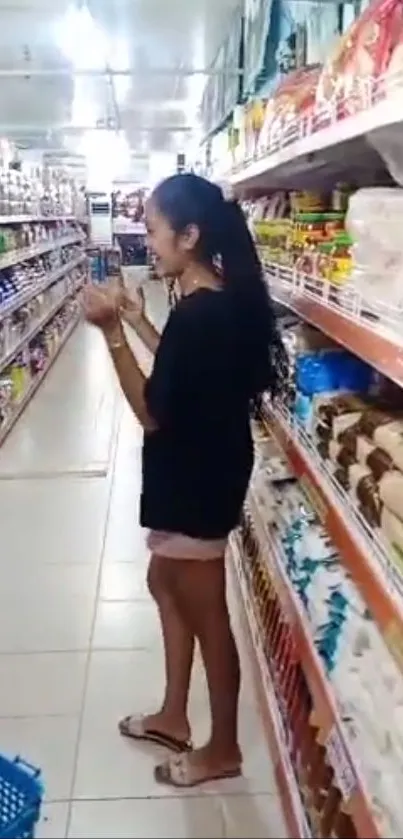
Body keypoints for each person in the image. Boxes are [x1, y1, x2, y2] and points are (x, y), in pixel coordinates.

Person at [82, 173, 287, 789]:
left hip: (197, 479)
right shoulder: (208, 303)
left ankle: (222, 748)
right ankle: (174, 715)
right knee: (163, 581)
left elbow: (151, 409)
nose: (148, 242)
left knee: (204, 611)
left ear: (189, 235)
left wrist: (112, 333)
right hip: (201, 465)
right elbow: (181, 370)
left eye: (152, 230)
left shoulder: (203, 316)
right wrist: (141, 322)